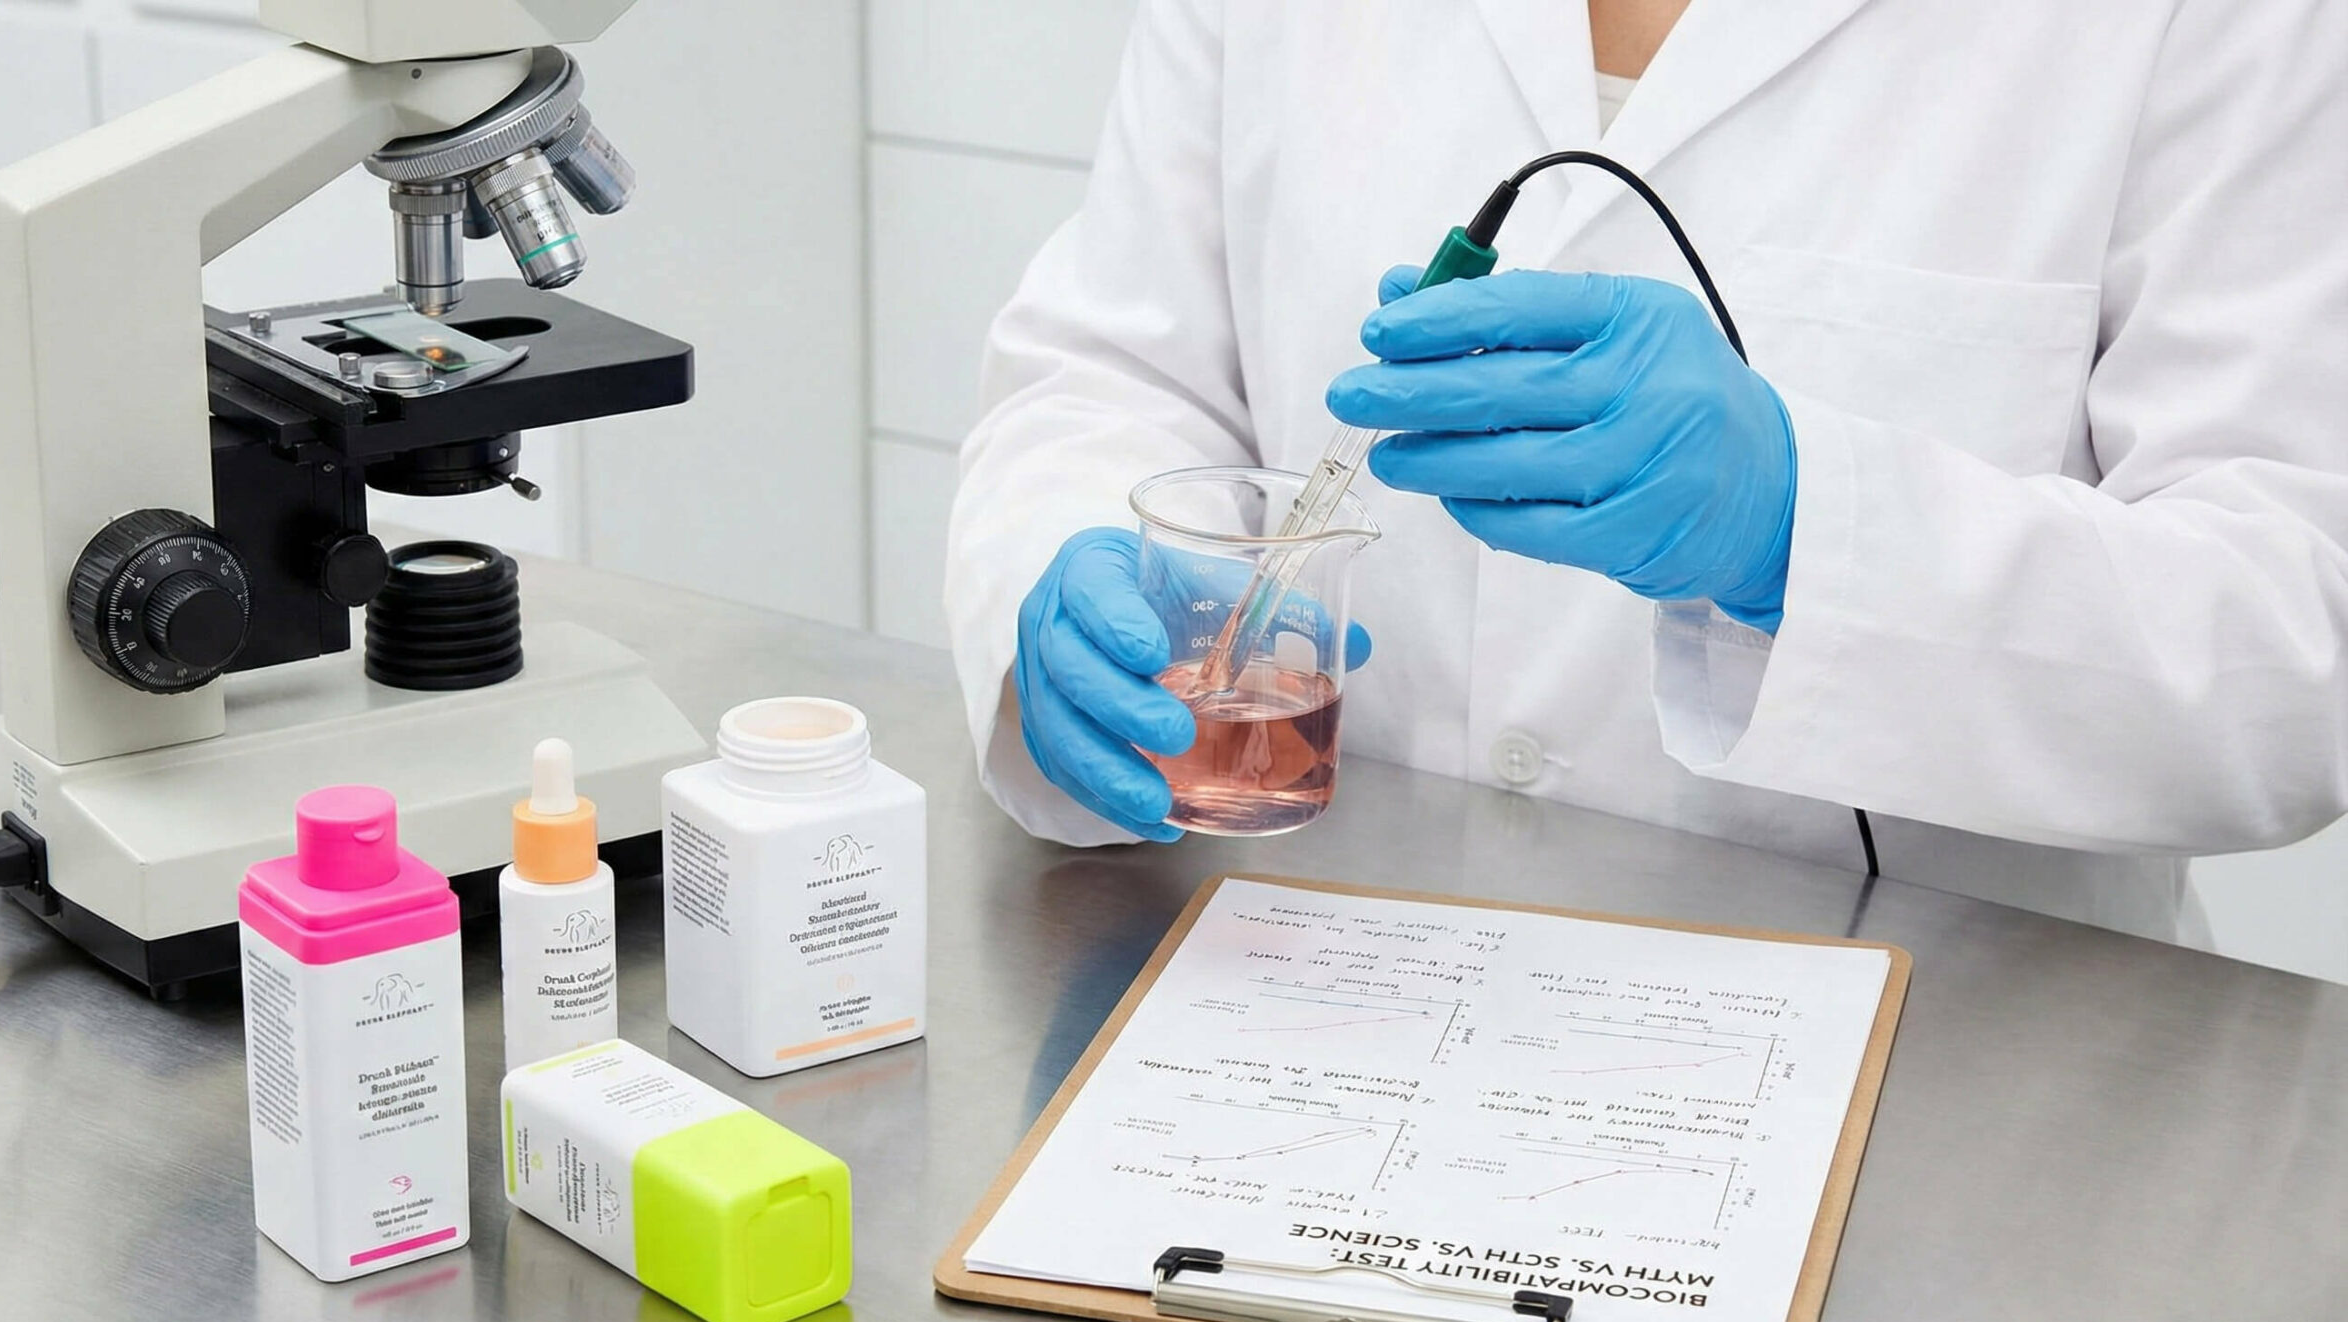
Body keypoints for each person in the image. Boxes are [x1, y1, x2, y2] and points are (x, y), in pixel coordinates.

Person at [943, 0, 2348, 940]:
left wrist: (1806, 527)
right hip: (1318, 1016)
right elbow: (1113, 370)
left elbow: (2297, 642)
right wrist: (1059, 585)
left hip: (1963, 1114)